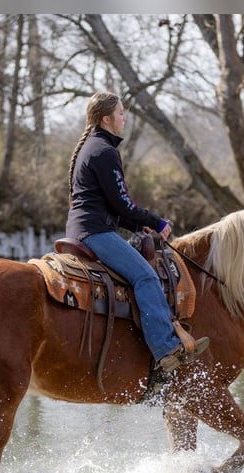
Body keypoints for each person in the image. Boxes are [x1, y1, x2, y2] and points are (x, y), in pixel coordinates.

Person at [66, 91, 209, 372]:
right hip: (95, 233)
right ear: (107, 119)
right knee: (145, 275)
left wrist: (136, 224)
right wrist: (156, 222)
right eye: (121, 113)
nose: (125, 118)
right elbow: (122, 203)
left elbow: (109, 203)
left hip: (84, 228)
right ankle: (166, 348)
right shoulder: (105, 152)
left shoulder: (92, 147)